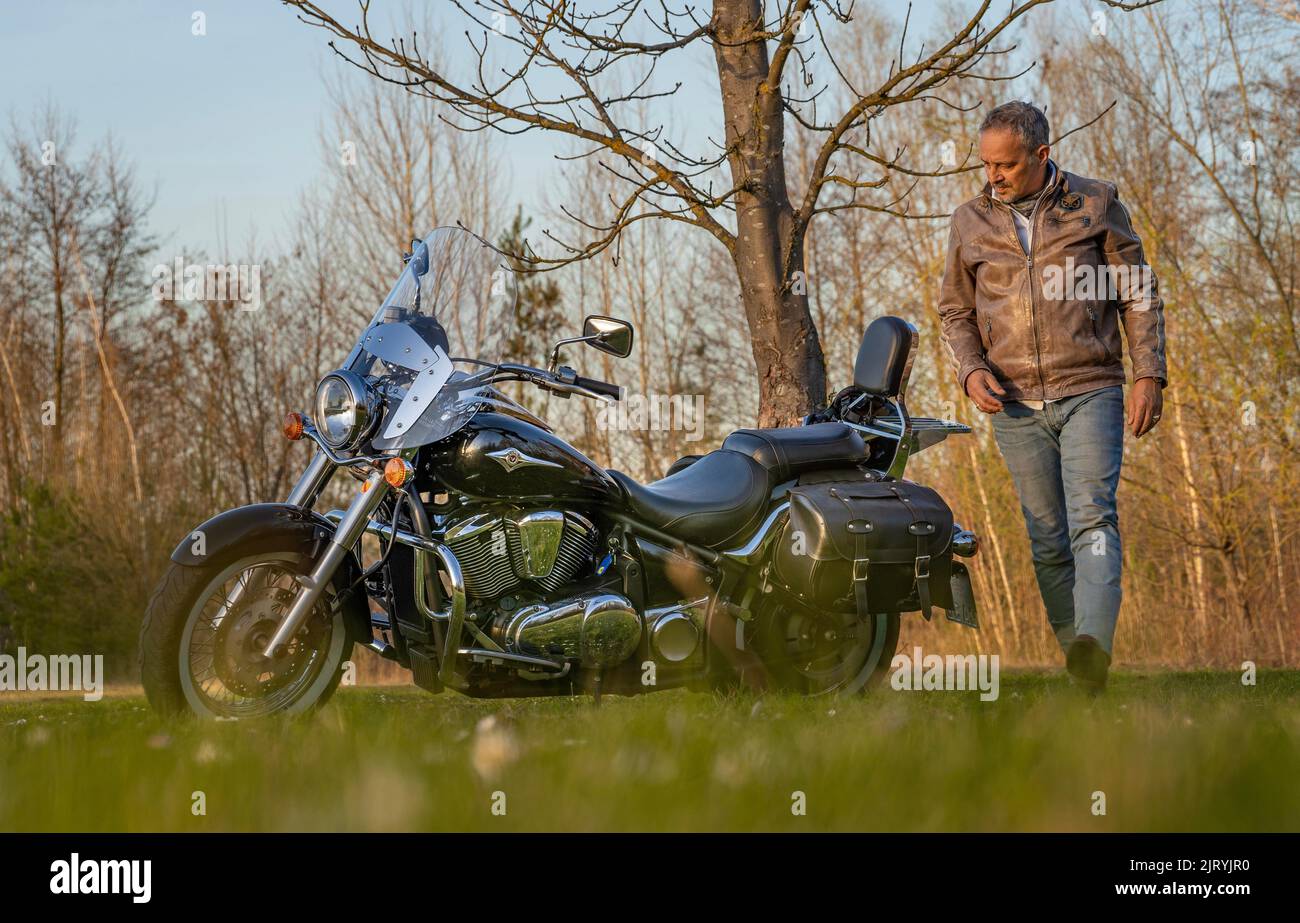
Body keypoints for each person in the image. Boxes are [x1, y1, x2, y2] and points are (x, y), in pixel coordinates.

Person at [937, 100, 1167, 694]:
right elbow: (956, 312)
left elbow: (1137, 293)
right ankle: (1079, 658)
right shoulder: (969, 222)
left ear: (1041, 155)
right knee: (1046, 535)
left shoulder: (1094, 202)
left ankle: (1093, 640)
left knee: (1093, 515)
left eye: (1006, 164)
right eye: (986, 164)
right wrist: (969, 371)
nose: (994, 175)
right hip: (1012, 403)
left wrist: (1149, 373)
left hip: (1089, 386)